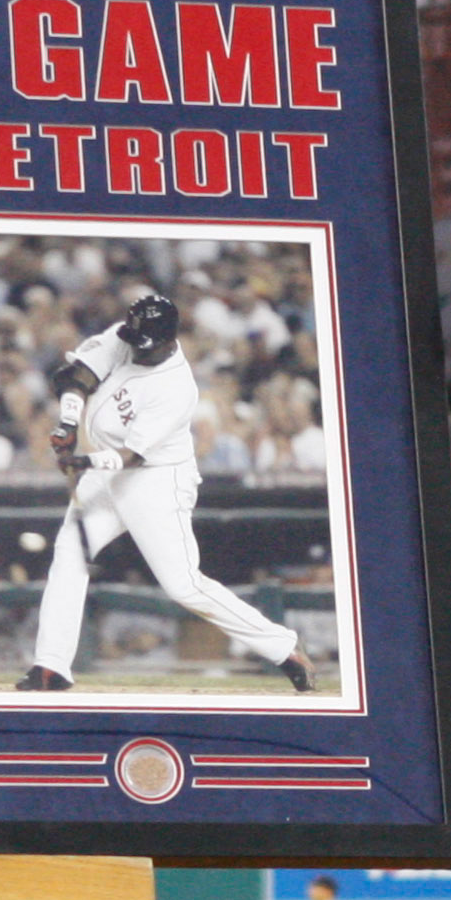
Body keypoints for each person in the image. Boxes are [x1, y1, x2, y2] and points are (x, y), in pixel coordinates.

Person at [20, 291, 314, 694]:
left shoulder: (177, 388)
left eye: (145, 345)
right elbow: (79, 376)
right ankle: (51, 666)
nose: (134, 349)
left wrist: (83, 462)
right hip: (104, 475)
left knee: (183, 585)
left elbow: (133, 456)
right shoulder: (126, 336)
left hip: (154, 480)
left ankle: (284, 648)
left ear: (168, 340)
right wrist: (68, 423)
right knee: (70, 552)